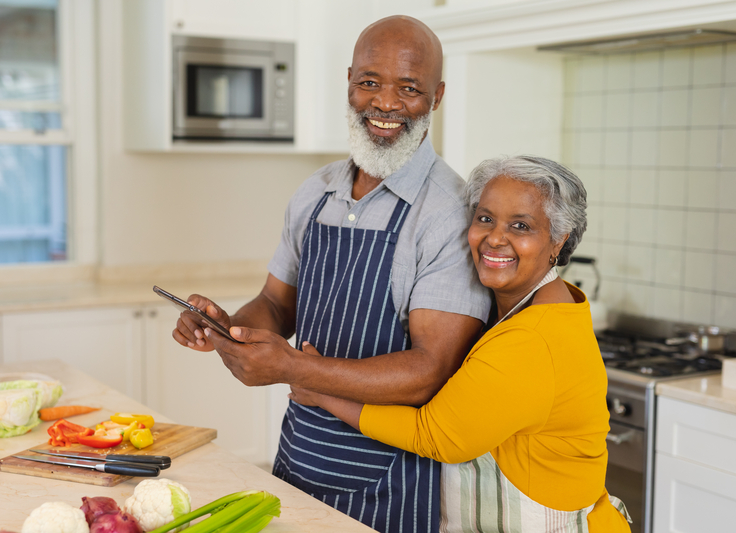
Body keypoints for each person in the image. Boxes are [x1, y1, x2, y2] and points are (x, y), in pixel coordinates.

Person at [172, 15, 491, 533]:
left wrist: (295, 370)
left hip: (392, 478)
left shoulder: (449, 212)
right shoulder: (315, 192)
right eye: (370, 82)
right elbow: (277, 305)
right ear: (349, 81)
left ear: (436, 97)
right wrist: (227, 327)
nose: (385, 104)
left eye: (408, 89)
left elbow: (429, 371)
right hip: (300, 455)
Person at [289, 156, 633, 532]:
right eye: (485, 218)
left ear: (559, 240)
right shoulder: (542, 303)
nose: (495, 237)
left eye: (521, 226)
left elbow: (437, 435)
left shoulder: (531, 340)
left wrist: (321, 392)